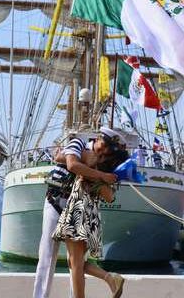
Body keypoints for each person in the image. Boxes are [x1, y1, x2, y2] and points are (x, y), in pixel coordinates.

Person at [33, 127, 127, 298]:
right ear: (97, 138)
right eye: (104, 145)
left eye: (109, 150)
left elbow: (103, 189)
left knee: (74, 262)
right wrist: (99, 174)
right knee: (48, 256)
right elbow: (72, 164)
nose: (104, 150)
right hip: (57, 202)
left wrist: (93, 171)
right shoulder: (78, 143)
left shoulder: (101, 161)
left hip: (78, 209)